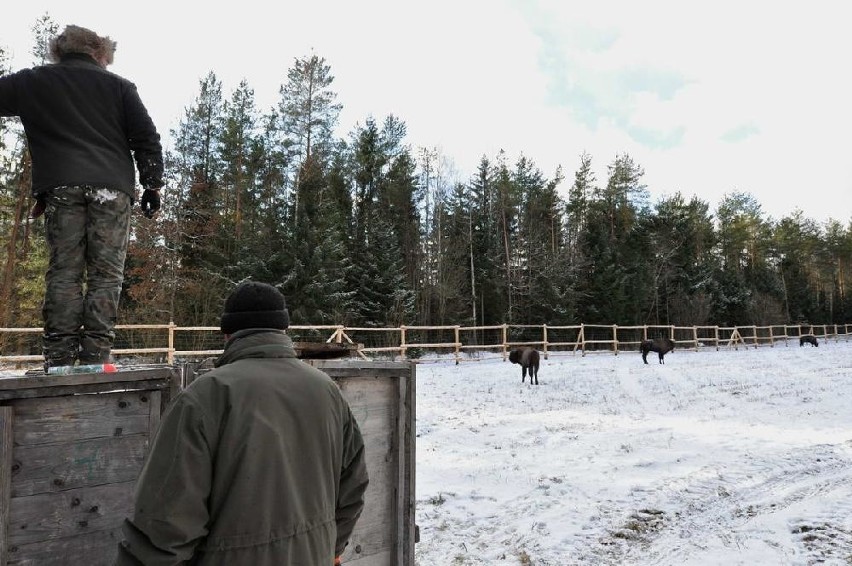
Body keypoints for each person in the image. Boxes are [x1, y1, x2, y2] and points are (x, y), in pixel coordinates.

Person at [117, 281, 369, 565]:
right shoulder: (326, 390)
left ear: (227, 333)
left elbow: (165, 523)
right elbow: (354, 485)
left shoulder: (204, 397)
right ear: (283, 330)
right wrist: (327, 547)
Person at [0, 24, 164, 371]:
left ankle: (58, 358)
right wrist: (152, 185)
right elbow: (146, 138)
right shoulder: (119, 87)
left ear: (59, 50)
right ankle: (95, 357)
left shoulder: (33, 81)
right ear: (99, 53)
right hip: (111, 188)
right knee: (106, 274)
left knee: (64, 272)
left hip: (61, 187)